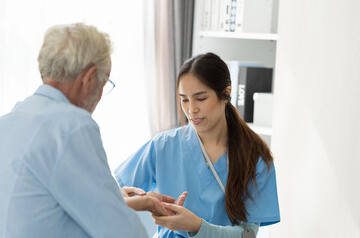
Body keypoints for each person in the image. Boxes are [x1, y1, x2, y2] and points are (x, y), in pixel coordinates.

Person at [0, 23, 174, 238]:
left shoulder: (11, 120)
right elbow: (120, 230)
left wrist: (114, 197)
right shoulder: (72, 125)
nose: (101, 94)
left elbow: (44, 204)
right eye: (104, 82)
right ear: (90, 78)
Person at [114, 53, 280, 237]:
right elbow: (112, 192)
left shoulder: (255, 157)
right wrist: (145, 201)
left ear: (226, 94)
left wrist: (197, 227)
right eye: (184, 99)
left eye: (200, 99)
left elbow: (247, 234)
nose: (191, 109)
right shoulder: (163, 146)